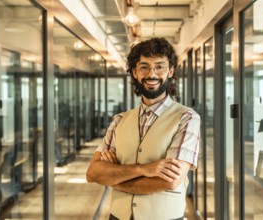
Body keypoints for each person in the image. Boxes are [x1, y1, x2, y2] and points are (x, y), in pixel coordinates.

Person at [86, 37, 200, 220]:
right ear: (134, 73)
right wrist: (144, 169)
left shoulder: (187, 118)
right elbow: (93, 173)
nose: (151, 74)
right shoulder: (119, 120)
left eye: (159, 66)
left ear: (170, 71)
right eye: (144, 66)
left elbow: (170, 181)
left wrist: (114, 177)